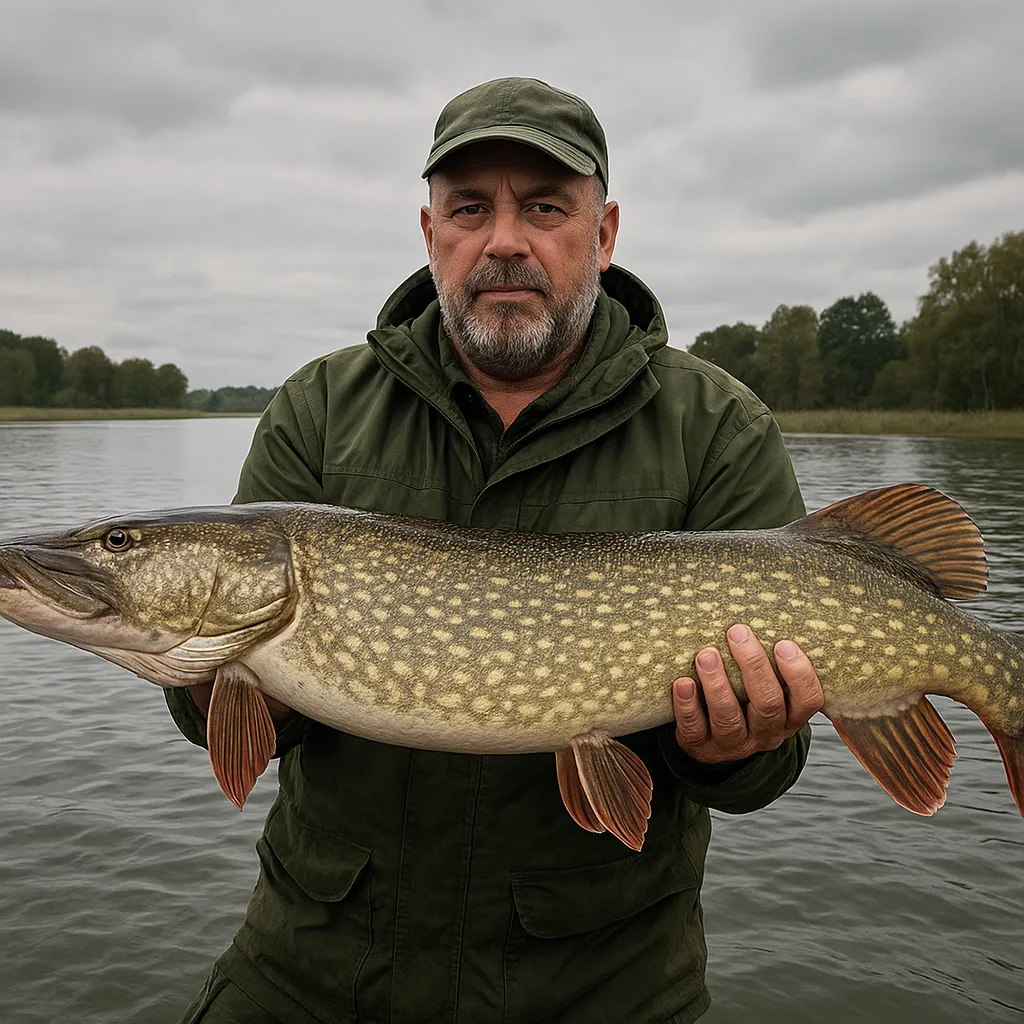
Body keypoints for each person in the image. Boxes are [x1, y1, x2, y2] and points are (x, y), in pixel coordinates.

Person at [168, 77, 824, 1024]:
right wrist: (210, 685)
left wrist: (730, 750)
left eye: (544, 208)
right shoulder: (320, 409)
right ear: (429, 233)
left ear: (603, 234)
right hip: (312, 968)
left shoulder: (715, 426)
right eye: (469, 208)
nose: (504, 240)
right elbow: (232, 728)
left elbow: (767, 771)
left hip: (605, 989)